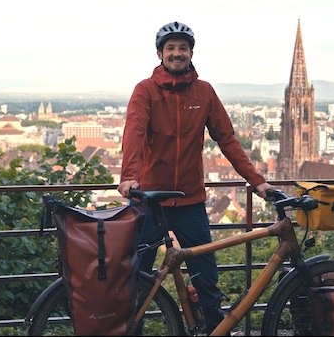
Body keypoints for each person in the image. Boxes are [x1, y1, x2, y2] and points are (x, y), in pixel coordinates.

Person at [117, 20, 274, 333]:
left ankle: (214, 331)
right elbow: (134, 133)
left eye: (183, 48)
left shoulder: (204, 92)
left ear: (191, 53)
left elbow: (227, 139)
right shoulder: (145, 90)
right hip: (150, 200)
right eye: (170, 48)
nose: (177, 53)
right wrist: (129, 176)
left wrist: (257, 180)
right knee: (137, 281)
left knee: (206, 280)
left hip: (190, 201)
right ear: (160, 54)